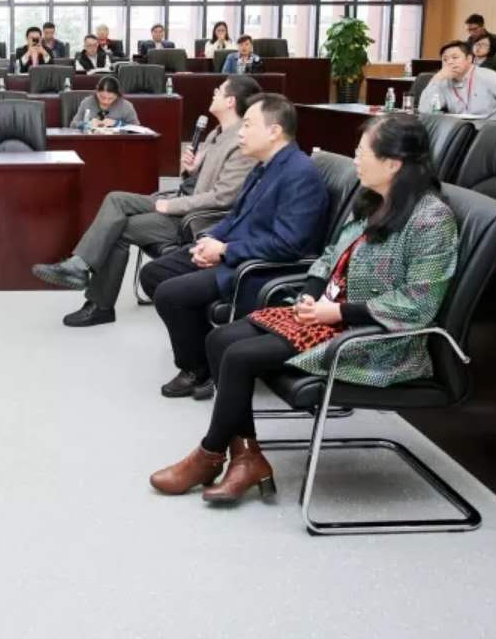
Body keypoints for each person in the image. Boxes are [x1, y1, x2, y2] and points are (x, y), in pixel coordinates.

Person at [150, 114, 458, 504]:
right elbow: (329, 256)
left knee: (240, 356)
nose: (355, 160)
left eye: (362, 152)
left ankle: (209, 456)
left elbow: (418, 303)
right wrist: (310, 296)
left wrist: (339, 313)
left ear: (394, 163)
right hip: (327, 316)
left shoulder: (432, 219)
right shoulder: (373, 201)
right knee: (219, 340)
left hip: (375, 339)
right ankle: (247, 458)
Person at [143, 94, 329, 398]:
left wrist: (225, 251)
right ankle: (206, 353)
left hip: (257, 267)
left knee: (170, 294)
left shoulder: (300, 174)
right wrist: (209, 240)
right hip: (234, 251)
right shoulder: (264, 165)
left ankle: (197, 368)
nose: (240, 132)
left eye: (248, 125)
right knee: (153, 274)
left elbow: (288, 244)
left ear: (274, 131)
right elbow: (235, 216)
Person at [37, 77, 263, 326]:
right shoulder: (215, 133)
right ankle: (79, 265)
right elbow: (198, 182)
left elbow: (222, 198)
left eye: (219, 91)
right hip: (184, 201)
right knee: (115, 199)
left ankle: (98, 304)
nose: (214, 93)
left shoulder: (241, 143)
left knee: (118, 229)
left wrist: (171, 205)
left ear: (230, 101)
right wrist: (191, 170)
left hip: (197, 220)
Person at [417, 41, 496, 122]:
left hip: (489, 134)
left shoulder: (487, 76)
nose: (449, 62)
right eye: (445, 59)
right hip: (461, 133)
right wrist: (436, 79)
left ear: (469, 59)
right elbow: (425, 111)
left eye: (455, 57)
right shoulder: (443, 81)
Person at [70, 76, 138, 131]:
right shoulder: (87, 102)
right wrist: (87, 124)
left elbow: (136, 127)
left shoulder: (126, 106)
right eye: (102, 97)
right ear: (97, 91)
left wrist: (116, 123)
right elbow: (73, 124)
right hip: (91, 140)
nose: (106, 101)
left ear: (117, 95)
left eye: (110, 98)